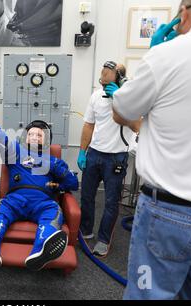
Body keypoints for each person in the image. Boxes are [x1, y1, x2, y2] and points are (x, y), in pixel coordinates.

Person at [109, 0, 191, 299]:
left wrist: (154, 54)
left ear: (183, 12)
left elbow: (122, 110)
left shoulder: (169, 55)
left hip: (172, 211)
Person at [0, 120, 79, 271]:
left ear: (46, 140)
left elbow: (74, 184)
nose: (34, 137)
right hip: (15, 199)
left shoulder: (53, 161)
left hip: (43, 202)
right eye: (31, 134)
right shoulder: (15, 152)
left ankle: (40, 253)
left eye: (39, 135)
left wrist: (59, 176)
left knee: (53, 214)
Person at [78, 61, 139, 257]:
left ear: (119, 77)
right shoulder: (96, 96)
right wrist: (82, 151)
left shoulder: (130, 98)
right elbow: (88, 125)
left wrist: (119, 100)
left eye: (107, 73)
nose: (102, 75)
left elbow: (137, 126)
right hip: (94, 154)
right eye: (102, 72)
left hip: (116, 158)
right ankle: (85, 231)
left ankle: (104, 240)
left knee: (111, 201)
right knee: (87, 196)